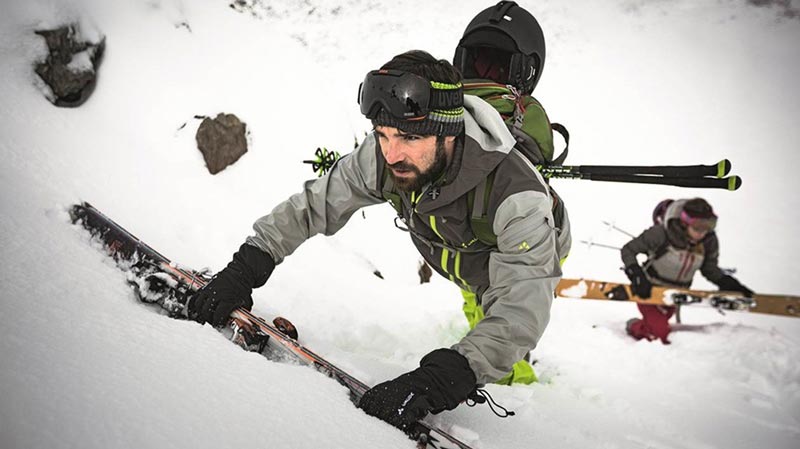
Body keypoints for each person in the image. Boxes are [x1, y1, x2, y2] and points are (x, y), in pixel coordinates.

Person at [186, 49, 570, 432]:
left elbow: (522, 307)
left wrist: (443, 379)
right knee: (479, 314)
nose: (391, 152)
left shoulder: (518, 198)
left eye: (408, 136)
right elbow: (313, 206)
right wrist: (247, 265)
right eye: (382, 134)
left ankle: (517, 403)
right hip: (454, 250)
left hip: (517, 257)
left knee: (500, 332)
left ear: (449, 131)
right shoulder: (387, 157)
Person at [621, 198, 753, 344]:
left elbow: (709, 269)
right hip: (649, 290)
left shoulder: (708, 241)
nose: (703, 232)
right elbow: (628, 250)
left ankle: (650, 326)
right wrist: (637, 275)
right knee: (660, 334)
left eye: (709, 225)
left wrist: (729, 283)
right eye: (697, 227)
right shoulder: (661, 233)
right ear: (684, 222)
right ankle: (634, 326)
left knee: (661, 326)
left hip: (677, 295)